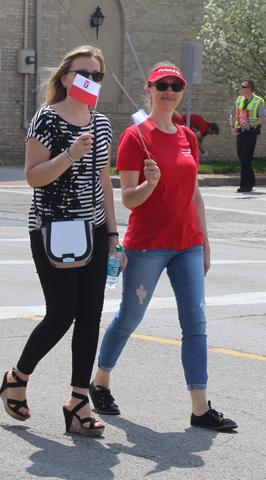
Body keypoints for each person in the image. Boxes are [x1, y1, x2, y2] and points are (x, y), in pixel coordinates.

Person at [89, 63, 237, 432]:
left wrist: (204, 243)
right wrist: (150, 184)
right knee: (130, 317)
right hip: (148, 245)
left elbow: (196, 194)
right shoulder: (134, 136)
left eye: (176, 86)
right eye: (162, 85)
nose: (169, 91)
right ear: (149, 90)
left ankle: (200, 409)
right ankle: (100, 381)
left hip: (187, 244)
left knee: (196, 325)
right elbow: (128, 200)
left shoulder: (187, 135)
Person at [0, 45, 125, 437]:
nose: (91, 80)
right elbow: (33, 176)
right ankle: (16, 377)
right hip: (53, 229)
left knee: (90, 316)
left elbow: (104, 181)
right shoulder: (47, 118)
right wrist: (70, 154)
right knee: (61, 313)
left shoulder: (101, 124)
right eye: (83, 72)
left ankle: (78, 401)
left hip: (91, 229)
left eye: (98, 74)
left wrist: (112, 236)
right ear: (67, 77)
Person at [230, 80, 266, 192]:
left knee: (246, 157)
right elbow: (232, 114)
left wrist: (251, 125)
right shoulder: (239, 99)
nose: (240, 88)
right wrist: (232, 126)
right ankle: (251, 180)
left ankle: (245, 185)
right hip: (240, 132)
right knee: (241, 157)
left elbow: (263, 118)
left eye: (242, 86)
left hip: (251, 132)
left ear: (249, 89)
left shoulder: (258, 101)